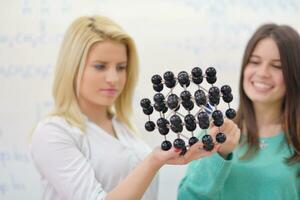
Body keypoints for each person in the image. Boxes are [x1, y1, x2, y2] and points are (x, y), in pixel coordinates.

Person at [30, 15, 219, 200]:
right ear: (73, 68)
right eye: (100, 66)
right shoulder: (53, 132)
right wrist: (153, 162)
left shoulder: (124, 128)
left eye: (121, 67)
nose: (113, 78)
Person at [178, 23, 300, 200]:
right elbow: (187, 197)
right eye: (255, 62)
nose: (262, 73)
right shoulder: (215, 131)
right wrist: (219, 153)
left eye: (277, 66)